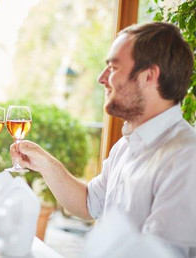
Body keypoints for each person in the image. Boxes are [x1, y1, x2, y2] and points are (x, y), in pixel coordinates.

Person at [10, 22, 196, 256]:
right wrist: (45, 163)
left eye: (113, 68)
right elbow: (89, 203)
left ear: (149, 76)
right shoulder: (126, 146)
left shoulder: (187, 158)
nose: (101, 78)